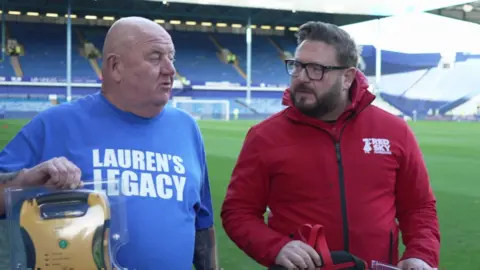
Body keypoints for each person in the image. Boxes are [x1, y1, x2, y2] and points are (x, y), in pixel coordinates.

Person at [0, 16, 218, 270]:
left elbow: (202, 222)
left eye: (172, 57)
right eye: (156, 57)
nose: (170, 70)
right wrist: (26, 180)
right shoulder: (55, 124)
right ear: (115, 67)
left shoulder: (187, 128)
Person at [221, 21, 440, 270]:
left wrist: (421, 254)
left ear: (347, 77)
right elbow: (238, 212)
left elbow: (419, 207)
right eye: (297, 66)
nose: (302, 77)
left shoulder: (394, 131)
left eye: (316, 69)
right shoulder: (264, 137)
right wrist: (275, 247)